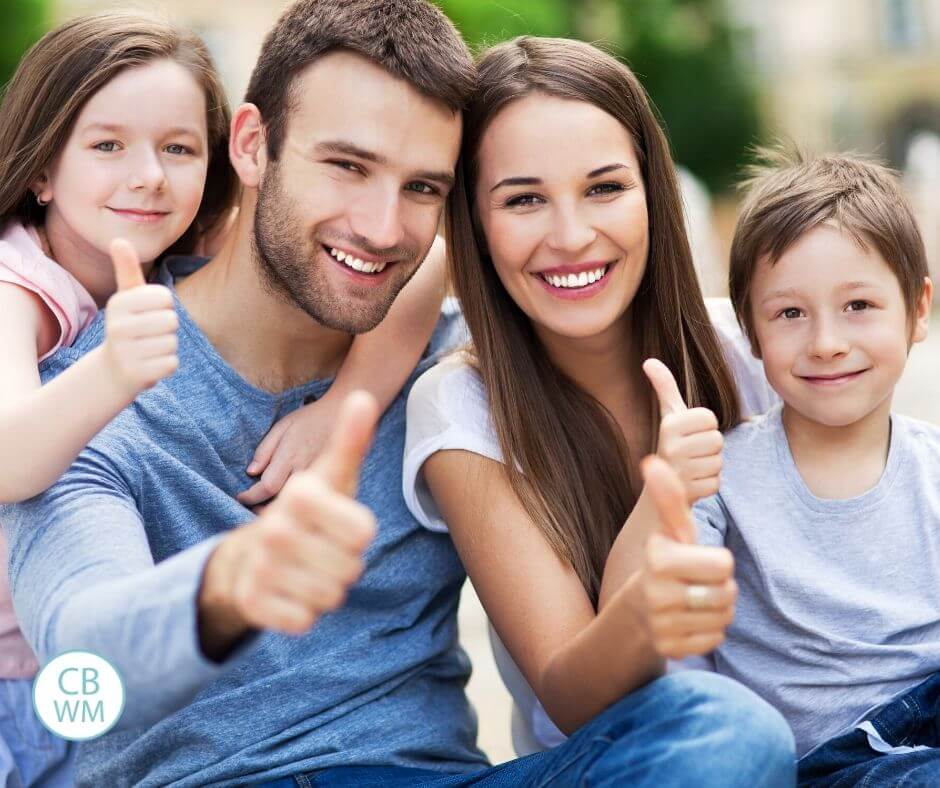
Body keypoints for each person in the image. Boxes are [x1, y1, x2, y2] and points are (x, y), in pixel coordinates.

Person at [1, 0, 475, 784]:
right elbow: (83, 645)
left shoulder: (190, 236)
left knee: (713, 730)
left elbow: (428, 261)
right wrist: (226, 583)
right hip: (39, 694)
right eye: (347, 165)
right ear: (256, 148)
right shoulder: (55, 359)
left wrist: (340, 402)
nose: (384, 225)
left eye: (422, 187)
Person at [403, 36, 794, 785]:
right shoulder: (463, 407)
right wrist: (646, 598)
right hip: (630, 760)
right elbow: (568, 696)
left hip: (823, 741)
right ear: (474, 229)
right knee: (731, 732)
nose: (571, 236)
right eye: (523, 199)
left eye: (605, 188)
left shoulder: (750, 352)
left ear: (655, 192)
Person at [686, 149, 940, 786]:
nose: (827, 341)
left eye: (858, 305)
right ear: (749, 331)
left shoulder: (933, 467)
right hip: (827, 766)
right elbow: (675, 655)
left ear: (918, 310)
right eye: (790, 313)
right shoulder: (717, 473)